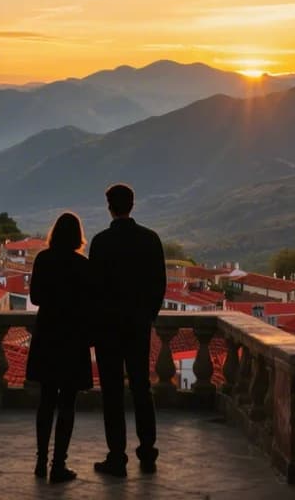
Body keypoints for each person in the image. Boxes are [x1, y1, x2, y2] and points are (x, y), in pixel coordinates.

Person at [89, 183, 167, 477]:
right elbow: (159, 283)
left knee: (112, 392)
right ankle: (147, 451)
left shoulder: (101, 242)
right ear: (132, 205)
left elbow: (93, 288)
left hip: (108, 328)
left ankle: (117, 456)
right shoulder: (150, 240)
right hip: (137, 325)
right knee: (141, 387)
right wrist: (148, 316)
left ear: (109, 206)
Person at [25, 212, 95, 483]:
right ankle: (58, 465)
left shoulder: (43, 259)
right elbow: (90, 302)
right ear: (78, 236)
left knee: (45, 401)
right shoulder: (83, 265)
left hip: (48, 334)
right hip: (73, 337)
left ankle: (40, 461)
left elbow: (36, 296)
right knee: (67, 404)